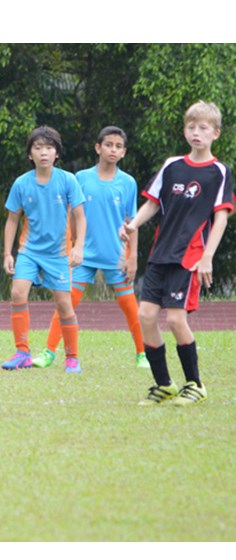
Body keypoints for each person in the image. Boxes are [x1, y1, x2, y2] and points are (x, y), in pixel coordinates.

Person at [120, 101, 233, 406]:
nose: (196, 133)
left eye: (203, 128)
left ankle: (195, 384)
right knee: (145, 316)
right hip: (160, 253)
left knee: (174, 319)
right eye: (191, 127)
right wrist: (132, 225)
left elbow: (220, 217)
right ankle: (164, 385)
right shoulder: (172, 166)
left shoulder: (219, 172)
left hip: (189, 255)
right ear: (185, 131)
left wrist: (207, 257)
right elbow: (153, 203)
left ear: (215, 133)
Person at [33, 126, 149, 370]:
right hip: (83, 255)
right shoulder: (81, 179)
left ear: (124, 152)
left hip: (116, 254)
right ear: (98, 148)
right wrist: (70, 246)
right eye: (108, 145)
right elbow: (72, 215)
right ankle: (49, 352)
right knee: (66, 303)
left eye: (118, 146)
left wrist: (133, 257)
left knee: (130, 307)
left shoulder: (127, 183)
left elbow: (132, 222)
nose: (113, 150)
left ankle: (142, 354)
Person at [2, 126, 86, 373]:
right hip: (29, 251)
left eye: (49, 148)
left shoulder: (68, 180)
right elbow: (12, 220)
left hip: (59, 254)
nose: (44, 153)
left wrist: (78, 247)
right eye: (38, 148)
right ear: (30, 154)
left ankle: (72, 358)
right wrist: (8, 253)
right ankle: (22, 352)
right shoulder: (21, 183)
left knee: (64, 305)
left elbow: (80, 217)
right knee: (18, 293)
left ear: (56, 153)